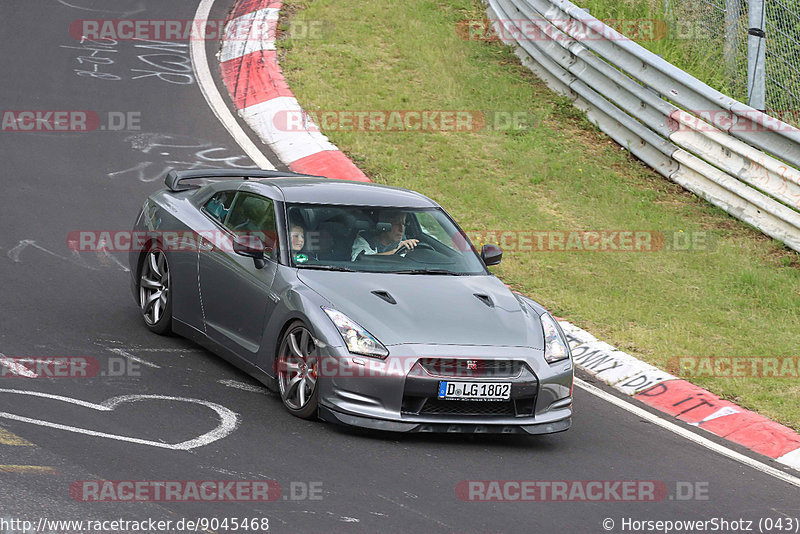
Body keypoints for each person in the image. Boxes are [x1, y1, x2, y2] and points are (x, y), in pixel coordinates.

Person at [351, 210, 419, 261]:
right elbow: (360, 260)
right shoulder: (364, 240)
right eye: (396, 224)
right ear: (384, 224)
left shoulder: (404, 244)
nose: (401, 229)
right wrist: (395, 252)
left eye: (403, 224)